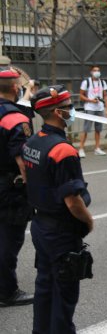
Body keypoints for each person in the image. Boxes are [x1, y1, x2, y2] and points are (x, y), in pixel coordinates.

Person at [24, 85, 95, 333]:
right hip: (61, 233)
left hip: (41, 227)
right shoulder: (63, 150)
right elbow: (73, 201)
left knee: (44, 288)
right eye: (68, 108)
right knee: (64, 296)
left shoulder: (33, 141)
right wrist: (88, 222)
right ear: (57, 112)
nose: (72, 111)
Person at [0, 67, 34, 307]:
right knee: (9, 241)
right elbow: (23, 162)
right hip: (9, 189)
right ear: (15, 88)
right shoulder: (17, 120)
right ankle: (7, 291)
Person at [79, 65, 107, 157]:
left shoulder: (102, 82)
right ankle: (81, 148)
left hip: (99, 108)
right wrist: (91, 100)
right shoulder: (86, 82)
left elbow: (105, 95)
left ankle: (97, 148)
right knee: (86, 129)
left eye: (98, 70)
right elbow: (81, 95)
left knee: (98, 129)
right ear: (91, 72)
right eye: (95, 70)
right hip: (90, 107)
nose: (97, 72)